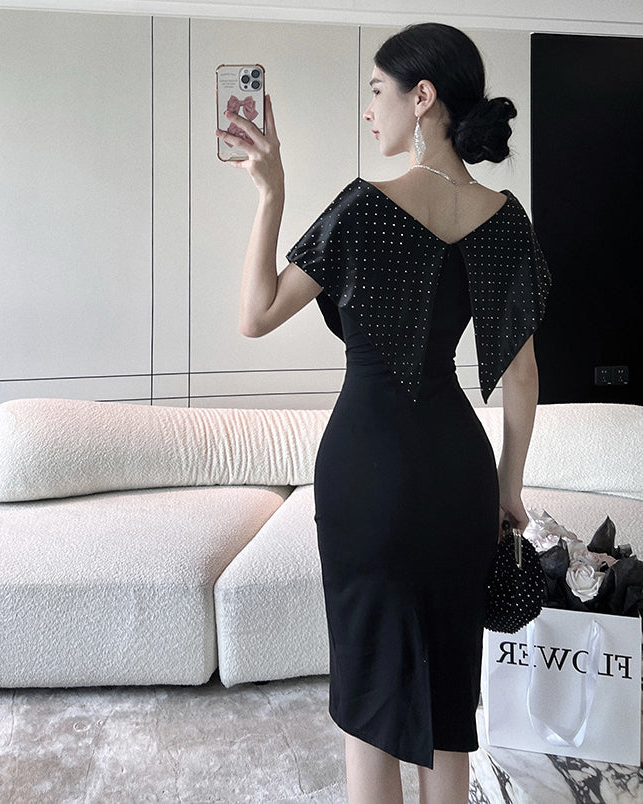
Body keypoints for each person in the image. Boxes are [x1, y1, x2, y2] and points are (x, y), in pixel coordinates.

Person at [216, 22, 550, 804]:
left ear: (421, 96)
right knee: (447, 711)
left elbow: (256, 314)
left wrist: (271, 193)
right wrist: (508, 488)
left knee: (372, 705)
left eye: (377, 91)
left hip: (367, 472)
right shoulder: (506, 217)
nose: (370, 110)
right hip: (460, 475)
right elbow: (522, 376)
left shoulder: (365, 206)